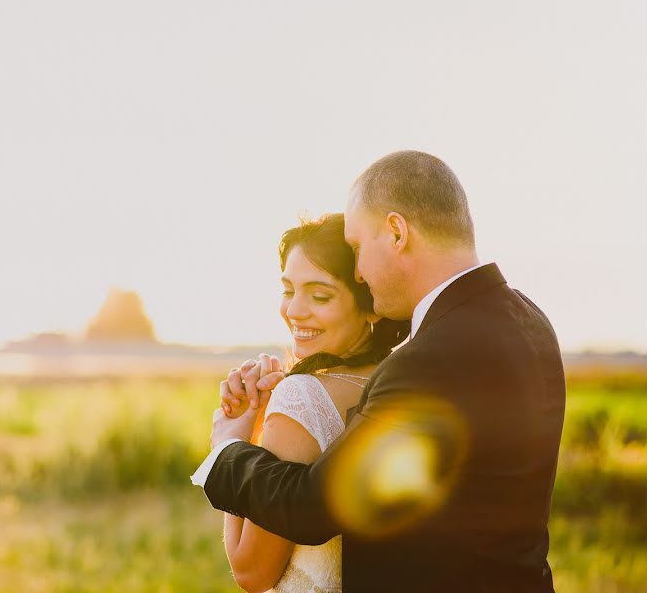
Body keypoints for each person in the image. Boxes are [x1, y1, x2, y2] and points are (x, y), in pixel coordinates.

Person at [192, 150, 566, 592]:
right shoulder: (530, 320)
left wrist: (227, 447)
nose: (360, 272)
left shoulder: (430, 360)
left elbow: (313, 506)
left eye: (356, 248)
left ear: (395, 233)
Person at [219, 214, 409, 591]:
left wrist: (230, 445)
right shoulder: (401, 383)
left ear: (370, 303)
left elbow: (251, 571)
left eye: (320, 295)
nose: (294, 310)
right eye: (288, 290)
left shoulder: (301, 397)